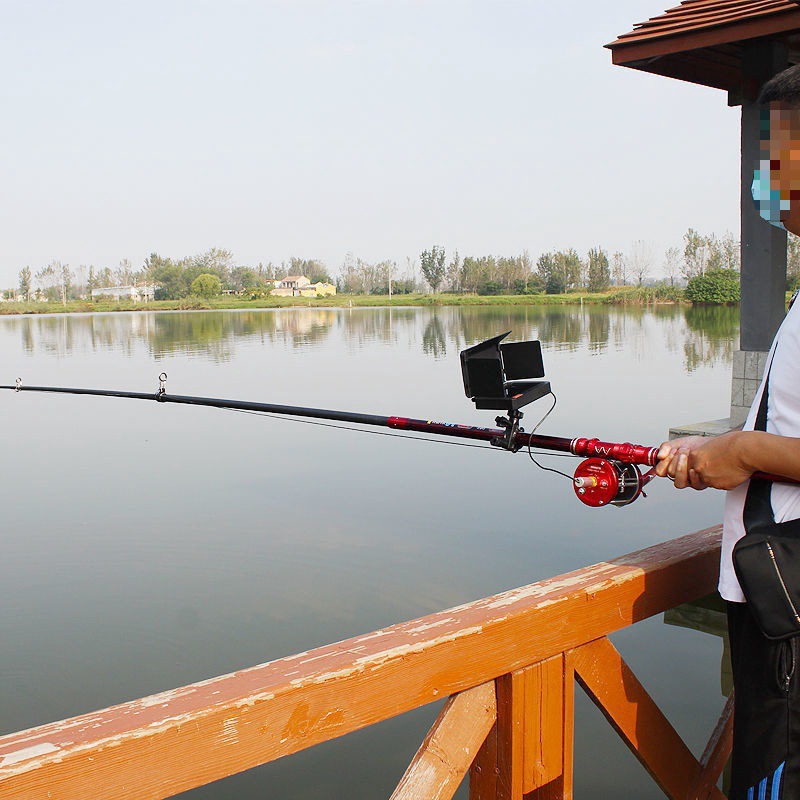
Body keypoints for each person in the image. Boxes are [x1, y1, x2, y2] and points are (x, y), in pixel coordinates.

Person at [655, 65, 800, 799]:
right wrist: (712, 455)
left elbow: (763, 447)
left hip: (792, 615)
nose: (768, 178)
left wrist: (740, 450)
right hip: (770, 602)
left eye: (780, 155)